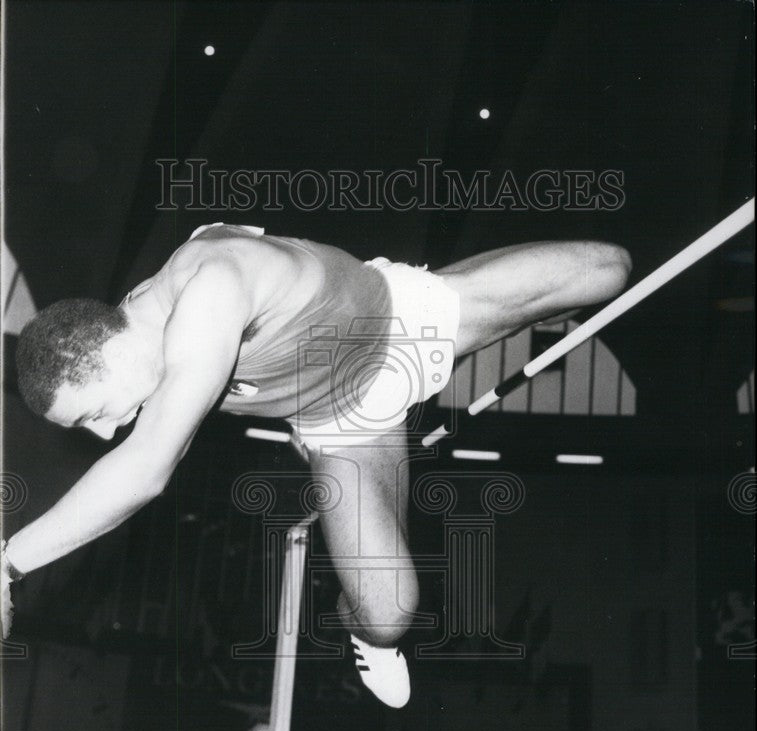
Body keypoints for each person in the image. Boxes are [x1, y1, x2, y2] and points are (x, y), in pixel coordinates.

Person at [2, 223, 631, 706]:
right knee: (390, 617)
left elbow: (144, 471)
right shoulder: (148, 343)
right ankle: (355, 625)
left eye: (95, 414)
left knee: (608, 270)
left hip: (411, 319)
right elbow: (166, 440)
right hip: (346, 424)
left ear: (109, 345)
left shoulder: (209, 286)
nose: (108, 430)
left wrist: (9, 563)